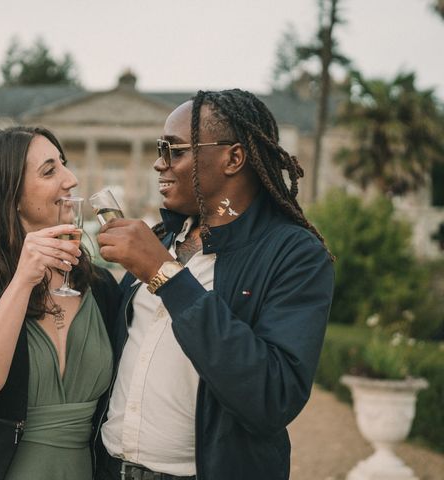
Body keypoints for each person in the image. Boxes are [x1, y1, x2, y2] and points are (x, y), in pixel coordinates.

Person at [95, 89, 335, 480]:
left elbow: (273, 397)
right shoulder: (161, 238)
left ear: (233, 158)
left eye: (175, 150)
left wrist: (165, 274)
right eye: (160, 149)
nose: (159, 163)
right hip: (110, 469)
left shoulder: (295, 254)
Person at [0, 126, 120, 480]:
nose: (71, 179)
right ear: (10, 195)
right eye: (50, 171)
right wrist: (22, 281)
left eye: (64, 164)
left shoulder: (103, 287)